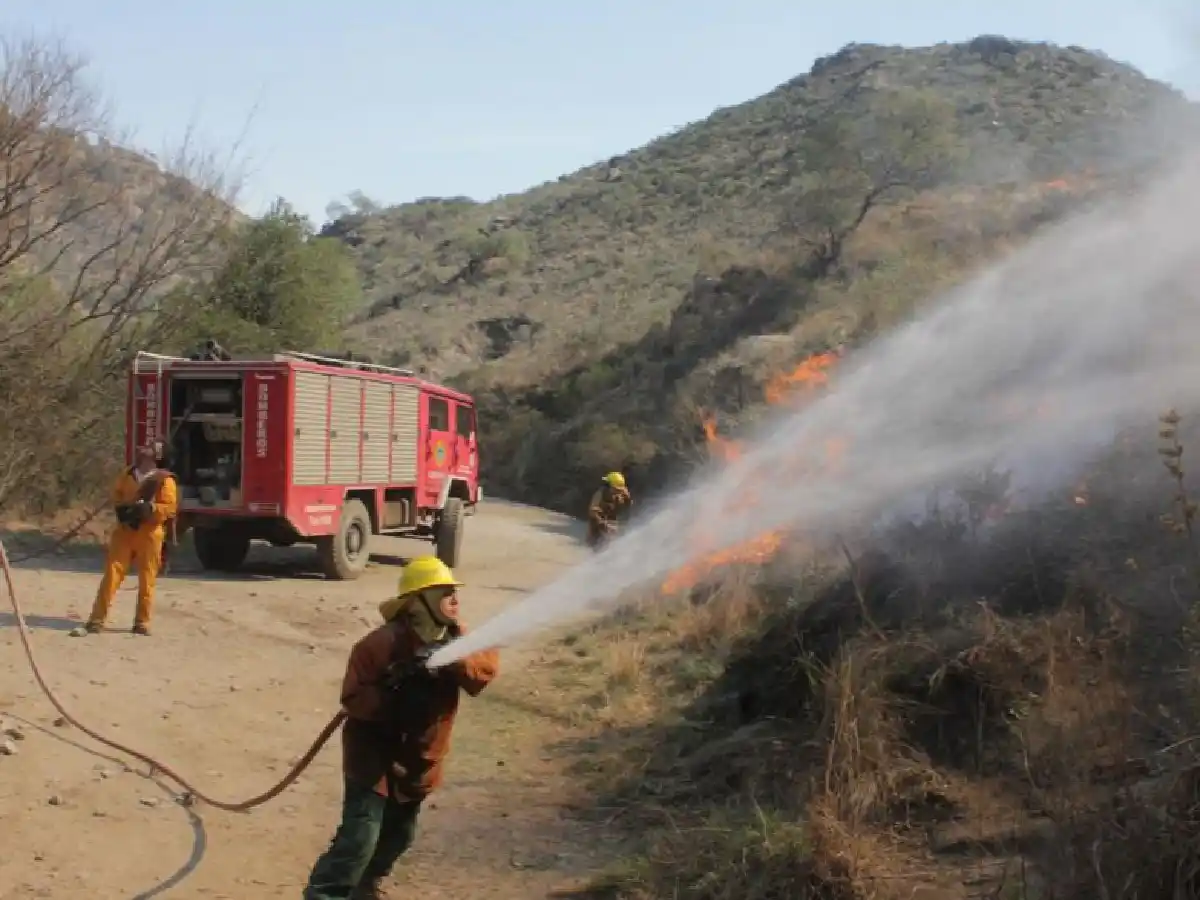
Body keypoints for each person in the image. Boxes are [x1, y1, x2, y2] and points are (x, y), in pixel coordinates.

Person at [304, 556, 500, 900]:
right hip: (373, 756)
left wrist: (454, 659)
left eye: (454, 591)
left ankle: (365, 888)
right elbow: (353, 698)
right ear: (416, 603)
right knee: (359, 838)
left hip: (420, 757)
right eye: (443, 591)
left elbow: (483, 672)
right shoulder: (380, 644)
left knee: (399, 835)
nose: (454, 598)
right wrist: (394, 689)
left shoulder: (461, 639)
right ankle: (324, 894)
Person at [78, 444, 178, 636]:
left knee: (147, 579)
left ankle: (142, 622)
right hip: (124, 531)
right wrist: (122, 509)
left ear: (159, 456)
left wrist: (151, 509)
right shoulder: (128, 474)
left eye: (153, 447)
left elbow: (169, 508)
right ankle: (96, 620)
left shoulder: (164, 480)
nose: (147, 447)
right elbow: (116, 495)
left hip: (149, 534)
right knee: (112, 574)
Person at [586, 471, 632, 549]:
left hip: (612, 525)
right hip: (598, 526)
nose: (618, 492)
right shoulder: (600, 494)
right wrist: (602, 523)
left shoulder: (622, 495)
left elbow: (629, 506)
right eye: (615, 489)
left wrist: (628, 498)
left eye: (619, 490)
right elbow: (592, 510)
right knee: (597, 546)